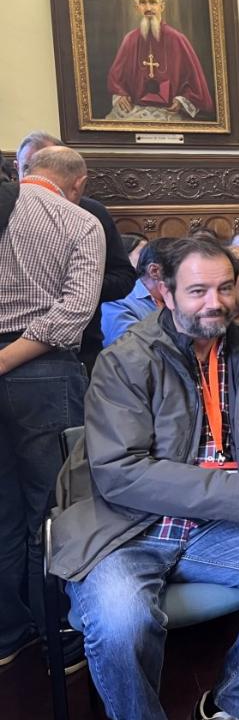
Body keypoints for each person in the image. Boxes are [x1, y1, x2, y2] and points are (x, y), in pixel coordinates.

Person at [48, 236, 239, 719]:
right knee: (120, 623)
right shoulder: (125, 361)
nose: (214, 303)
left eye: (223, 288)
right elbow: (119, 475)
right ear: (166, 292)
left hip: (215, 526)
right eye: (197, 291)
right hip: (128, 528)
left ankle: (234, 703)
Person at [0, 147, 102, 674]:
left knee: (2, 508)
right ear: (77, 182)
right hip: (42, 371)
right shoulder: (78, 220)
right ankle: (61, 635)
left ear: (24, 173)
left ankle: (7, 634)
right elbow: (73, 314)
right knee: (57, 508)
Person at [17, 131, 137, 371]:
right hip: (13, 344)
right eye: (29, 168)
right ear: (17, 167)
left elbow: (123, 278)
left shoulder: (91, 216)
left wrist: (80, 287)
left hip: (81, 350)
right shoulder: (8, 208)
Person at [105, 0, 214, 121]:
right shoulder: (130, 39)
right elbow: (116, 78)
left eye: (153, 2)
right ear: (136, 8)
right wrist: (120, 94)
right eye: (143, 3)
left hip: (170, 112)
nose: (148, 8)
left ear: (162, 7)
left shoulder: (178, 39)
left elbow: (195, 82)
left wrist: (181, 101)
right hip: (135, 109)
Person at [101, 236, 176, 347]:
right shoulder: (118, 301)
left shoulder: (177, 298)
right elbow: (128, 351)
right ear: (154, 271)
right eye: (181, 271)